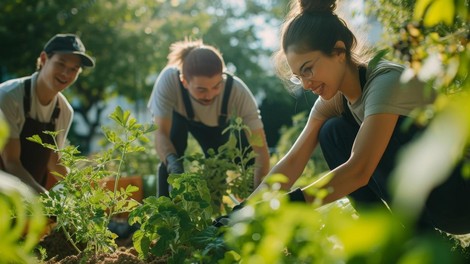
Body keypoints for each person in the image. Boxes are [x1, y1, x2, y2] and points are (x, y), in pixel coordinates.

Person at [247, 0, 470, 235]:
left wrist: (284, 206)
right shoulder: (333, 100)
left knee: (377, 135)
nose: (306, 84)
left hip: (459, 196)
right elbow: (292, 163)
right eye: (297, 76)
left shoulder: (386, 82)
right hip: (428, 197)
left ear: (339, 52)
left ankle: (420, 241)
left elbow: (359, 170)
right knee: (331, 132)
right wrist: (245, 212)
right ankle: (390, 240)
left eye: (308, 69)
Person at [148, 38, 270, 197]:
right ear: (184, 81)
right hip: (179, 119)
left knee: (218, 165)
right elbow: (161, 134)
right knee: (172, 155)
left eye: (216, 86)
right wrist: (173, 164)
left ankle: (216, 216)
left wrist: (256, 198)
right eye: (201, 89)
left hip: (215, 128)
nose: (210, 94)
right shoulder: (169, 80)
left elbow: (260, 152)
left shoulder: (237, 91)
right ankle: (164, 215)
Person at [0, 33, 95, 193]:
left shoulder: (64, 110)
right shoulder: (9, 96)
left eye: (74, 69)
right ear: (44, 59)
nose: (66, 74)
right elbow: (11, 161)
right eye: (60, 64)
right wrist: (43, 196)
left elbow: (53, 159)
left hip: (29, 199)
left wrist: (81, 193)